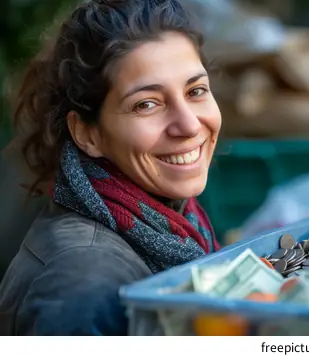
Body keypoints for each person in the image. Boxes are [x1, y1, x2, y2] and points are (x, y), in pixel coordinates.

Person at [0, 0, 221, 335]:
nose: (189, 126)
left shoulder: (172, 220)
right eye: (147, 104)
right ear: (87, 134)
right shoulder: (84, 281)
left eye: (196, 91)